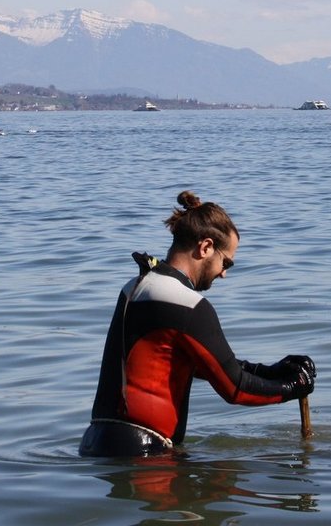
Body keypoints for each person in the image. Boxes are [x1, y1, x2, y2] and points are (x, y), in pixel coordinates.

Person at [79, 190, 316, 457]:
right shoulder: (187, 304)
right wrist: (294, 387)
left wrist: (270, 371)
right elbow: (234, 388)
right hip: (144, 454)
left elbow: (199, 365)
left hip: (96, 444)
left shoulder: (134, 287)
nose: (224, 274)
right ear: (205, 247)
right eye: (226, 262)